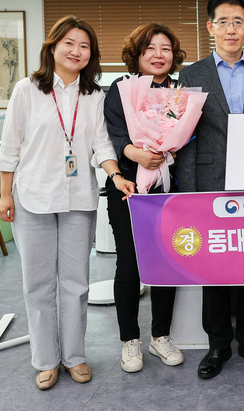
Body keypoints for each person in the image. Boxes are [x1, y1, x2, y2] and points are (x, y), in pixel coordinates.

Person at [0, 15, 135, 390]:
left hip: (79, 197)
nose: (76, 51)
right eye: (69, 43)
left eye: (84, 46)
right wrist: (5, 194)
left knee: (76, 283)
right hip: (32, 196)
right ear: (53, 47)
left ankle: (74, 356)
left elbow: (102, 144)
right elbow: (9, 147)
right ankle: (45, 360)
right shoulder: (27, 90)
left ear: (92, 55)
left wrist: (115, 175)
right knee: (38, 285)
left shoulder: (94, 96)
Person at [176, 0, 244, 379]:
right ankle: (217, 343)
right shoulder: (191, 75)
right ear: (210, 27)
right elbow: (185, 137)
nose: (231, 29)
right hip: (208, 180)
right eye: (223, 22)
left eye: (238, 22)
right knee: (212, 264)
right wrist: (188, 193)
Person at [104, 23, 186, 373]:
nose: (158, 54)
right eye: (149, 48)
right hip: (127, 187)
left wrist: (171, 150)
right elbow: (112, 133)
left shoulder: (181, 92)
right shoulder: (121, 88)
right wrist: (134, 153)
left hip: (169, 188)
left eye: (165, 48)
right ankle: (130, 340)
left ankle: (160, 336)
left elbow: (188, 134)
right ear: (136, 54)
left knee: (167, 261)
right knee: (129, 264)